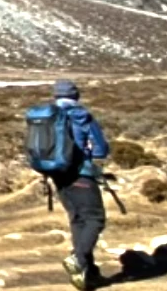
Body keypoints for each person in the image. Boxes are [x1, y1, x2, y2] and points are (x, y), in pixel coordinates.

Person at [49, 79, 111, 290]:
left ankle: (87, 274)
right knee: (95, 219)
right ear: (76, 96)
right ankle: (78, 259)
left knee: (77, 220)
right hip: (81, 174)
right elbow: (101, 150)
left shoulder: (48, 116)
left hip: (57, 175)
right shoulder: (81, 115)